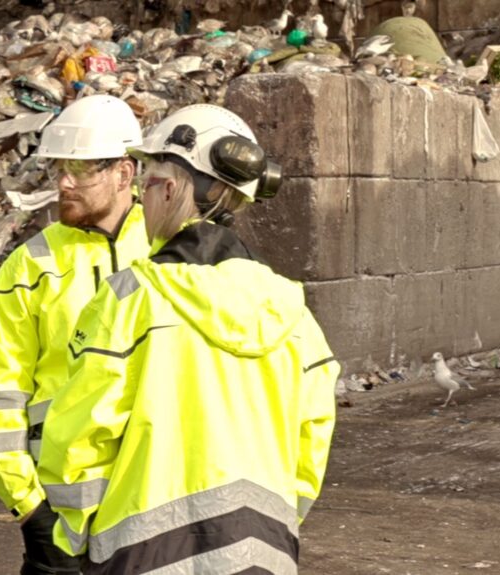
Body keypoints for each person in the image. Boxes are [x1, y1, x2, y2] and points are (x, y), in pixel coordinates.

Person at [37, 104, 339, 574]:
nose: (141, 199)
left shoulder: (129, 300)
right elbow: (312, 435)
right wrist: (277, 523)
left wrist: (73, 535)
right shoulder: (291, 310)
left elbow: (80, 436)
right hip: (265, 553)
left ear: (172, 188)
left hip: (143, 556)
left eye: (147, 184)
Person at [0, 94, 151, 574]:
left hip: (155, 502)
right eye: (59, 169)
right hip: (61, 516)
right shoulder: (30, 265)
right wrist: (27, 506)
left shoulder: (168, 252)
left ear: (125, 173)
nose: (64, 183)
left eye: (81, 169)